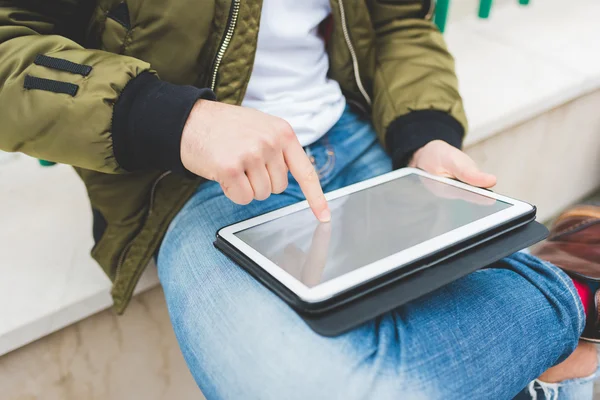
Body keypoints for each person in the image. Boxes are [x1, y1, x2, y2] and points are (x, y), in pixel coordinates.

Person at [1, 0, 598, 398]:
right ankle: (566, 287)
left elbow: (401, 24)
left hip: (363, 152)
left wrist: (426, 137)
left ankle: (560, 300)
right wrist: (175, 121)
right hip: (197, 183)